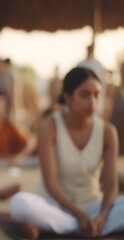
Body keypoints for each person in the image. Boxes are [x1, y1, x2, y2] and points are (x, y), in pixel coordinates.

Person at [10, 67, 124, 239]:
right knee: (19, 203)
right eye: (84, 95)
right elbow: (50, 183)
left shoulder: (108, 132)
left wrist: (102, 215)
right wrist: (80, 215)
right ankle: (82, 226)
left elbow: (111, 185)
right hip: (53, 205)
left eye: (96, 95)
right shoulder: (49, 126)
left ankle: (83, 226)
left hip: (92, 206)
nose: (92, 101)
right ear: (67, 97)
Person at [0, 91, 37, 167]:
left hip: (8, 163)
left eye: (2, 106)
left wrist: (20, 157)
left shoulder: (7, 125)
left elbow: (32, 141)